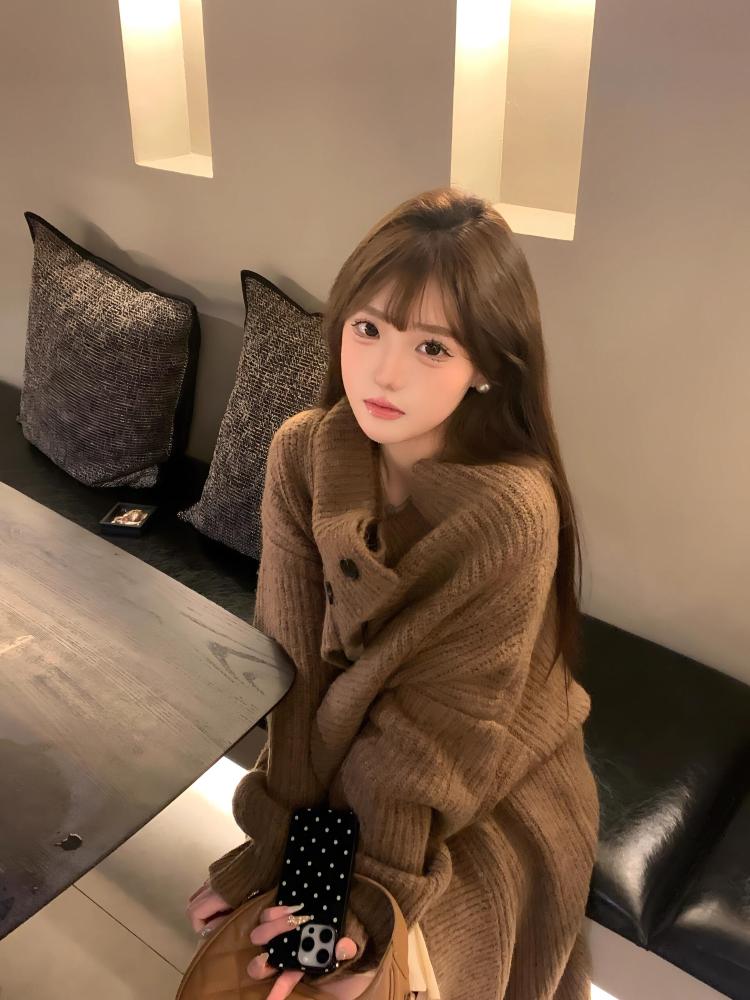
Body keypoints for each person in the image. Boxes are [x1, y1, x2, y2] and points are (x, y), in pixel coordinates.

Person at [186, 186, 600, 1000]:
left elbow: (433, 737)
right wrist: (278, 854)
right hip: (347, 758)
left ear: (489, 367)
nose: (384, 371)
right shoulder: (303, 453)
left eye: (433, 347)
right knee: (263, 952)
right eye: (368, 328)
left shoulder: (510, 511)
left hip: (489, 779)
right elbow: (293, 670)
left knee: (370, 973)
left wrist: (363, 900)